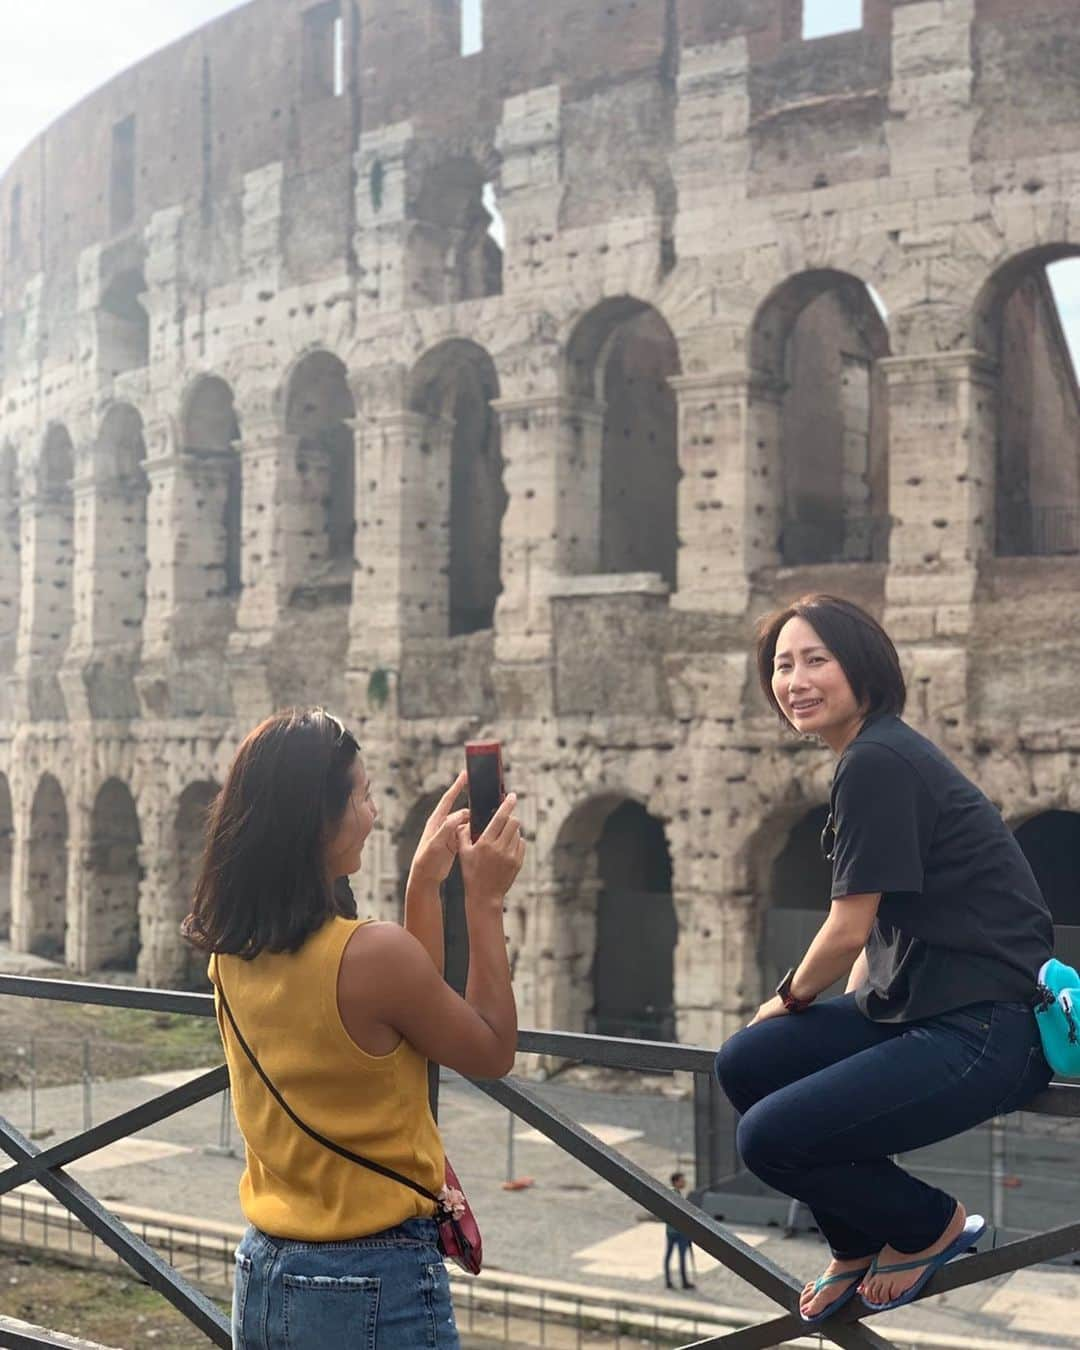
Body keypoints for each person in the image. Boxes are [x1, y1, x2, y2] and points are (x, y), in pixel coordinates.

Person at [714, 595, 1053, 1325]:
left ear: (862, 668)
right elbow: (882, 923)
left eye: (815, 660)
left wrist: (793, 997)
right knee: (746, 1061)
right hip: (918, 1009)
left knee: (766, 1136)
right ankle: (856, 1240)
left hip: (985, 1029)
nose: (795, 681)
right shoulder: (874, 754)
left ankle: (929, 1223)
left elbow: (846, 927)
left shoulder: (876, 761)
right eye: (781, 666)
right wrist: (832, 1014)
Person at [182, 708, 525, 1349]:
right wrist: (484, 900)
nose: (373, 815)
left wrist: (425, 883)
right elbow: (491, 1047)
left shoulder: (229, 952)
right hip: (370, 1277)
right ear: (320, 819)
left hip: (265, 1269)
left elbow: (406, 1022)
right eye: (363, 796)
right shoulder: (370, 955)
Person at [663, 1172, 695, 1290]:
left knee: (669, 1255)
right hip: (679, 1231)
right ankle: (684, 1282)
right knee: (681, 1257)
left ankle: (668, 1281)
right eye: (682, 1180)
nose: (684, 1182)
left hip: (670, 1231)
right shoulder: (675, 1194)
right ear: (676, 1182)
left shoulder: (671, 1193)